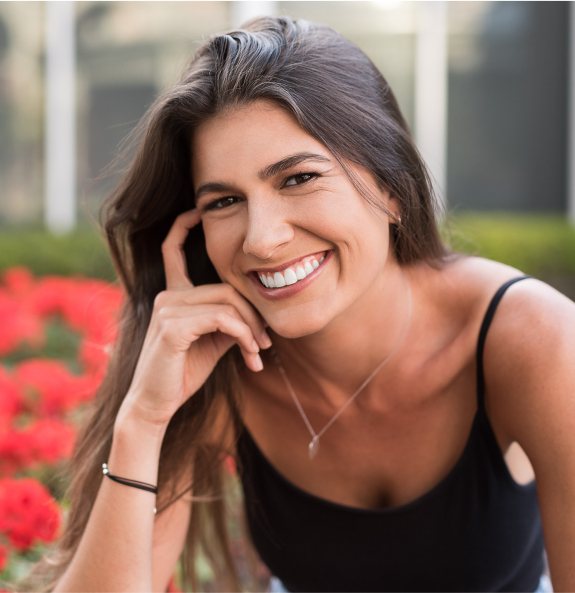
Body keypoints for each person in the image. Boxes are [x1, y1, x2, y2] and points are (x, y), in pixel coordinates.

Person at [37, 16, 575, 593]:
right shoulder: (220, 365)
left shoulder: (534, 338)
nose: (261, 239)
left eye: (297, 179)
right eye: (223, 201)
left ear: (392, 188)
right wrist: (144, 421)